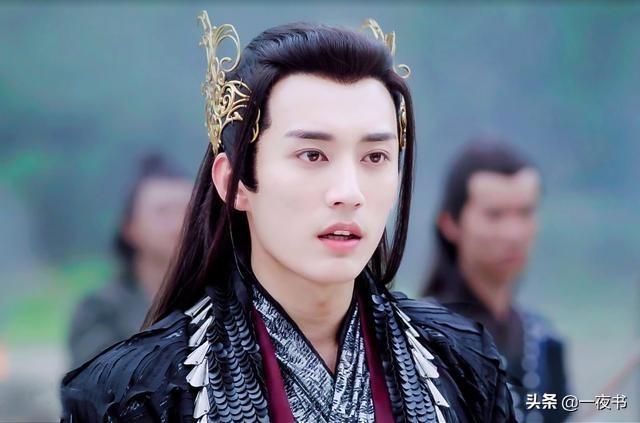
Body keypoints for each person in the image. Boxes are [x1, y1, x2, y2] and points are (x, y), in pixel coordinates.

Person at [61, 13, 515, 422]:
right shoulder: (131, 395)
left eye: (375, 157)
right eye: (312, 155)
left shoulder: (463, 362)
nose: (349, 193)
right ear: (235, 182)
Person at [423, 140, 569, 422]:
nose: (514, 234)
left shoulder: (544, 340)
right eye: (494, 215)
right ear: (450, 223)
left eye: (525, 212)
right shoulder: (420, 340)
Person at [67, 154, 192, 367]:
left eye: (188, 209)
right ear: (129, 228)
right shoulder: (100, 311)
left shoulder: (222, 301)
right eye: (163, 212)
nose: (179, 223)